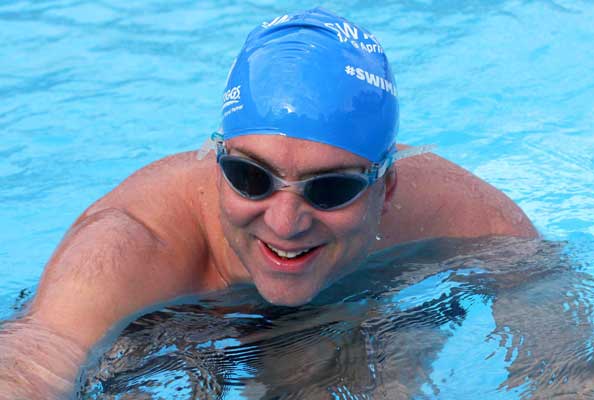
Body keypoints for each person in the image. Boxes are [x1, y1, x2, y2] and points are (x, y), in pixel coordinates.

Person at [0, 7, 537, 399]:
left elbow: (562, 351)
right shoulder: (129, 244)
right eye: (250, 178)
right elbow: (34, 358)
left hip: (348, 313)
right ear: (217, 163)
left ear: (386, 189)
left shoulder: (467, 216)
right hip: (168, 332)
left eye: (330, 188)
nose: (284, 222)